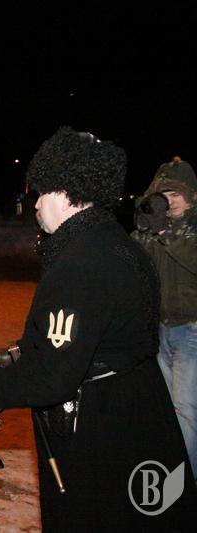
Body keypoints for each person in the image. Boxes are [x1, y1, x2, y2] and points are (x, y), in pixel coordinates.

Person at [0, 127, 197, 531]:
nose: (35, 203)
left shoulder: (79, 265)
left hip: (101, 429)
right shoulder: (118, 243)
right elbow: (95, 332)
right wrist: (18, 353)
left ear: (67, 194)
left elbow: (53, 378)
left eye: (42, 192)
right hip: (138, 408)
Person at [132, 156, 197, 479]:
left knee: (185, 408)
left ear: (192, 196)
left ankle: (185, 481)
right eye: (164, 195)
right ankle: (174, 473)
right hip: (160, 330)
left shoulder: (190, 228)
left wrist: (164, 232)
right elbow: (131, 263)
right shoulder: (157, 227)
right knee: (166, 409)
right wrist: (143, 224)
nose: (170, 201)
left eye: (176, 194)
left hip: (192, 329)